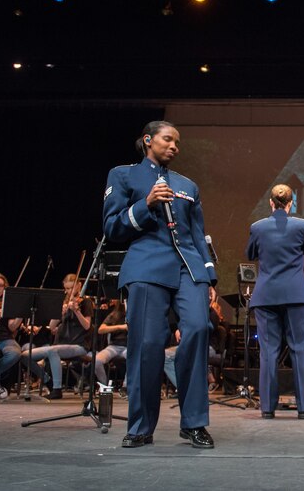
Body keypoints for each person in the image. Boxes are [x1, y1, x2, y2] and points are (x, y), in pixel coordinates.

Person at [103, 120, 218, 449]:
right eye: (169, 140)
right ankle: (140, 425)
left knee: (197, 329)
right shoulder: (122, 175)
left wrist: (209, 276)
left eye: (177, 143)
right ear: (148, 140)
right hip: (146, 266)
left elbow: (197, 234)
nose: (174, 147)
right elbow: (112, 227)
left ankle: (193, 423)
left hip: (189, 268)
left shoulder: (188, 185)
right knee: (147, 345)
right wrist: (145, 204)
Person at [246, 184, 304, 419]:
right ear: (291, 204)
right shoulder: (301, 226)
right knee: (299, 349)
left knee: (268, 351)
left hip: (266, 296)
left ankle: (267, 409)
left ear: (271, 203)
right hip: (294, 295)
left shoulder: (257, 227)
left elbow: (250, 254)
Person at [23, 274, 93, 399]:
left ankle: (57, 389)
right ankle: (47, 380)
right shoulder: (64, 302)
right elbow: (52, 326)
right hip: (61, 345)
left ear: (79, 286)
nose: (68, 291)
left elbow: (87, 325)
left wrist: (77, 311)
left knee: (53, 350)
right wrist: (59, 313)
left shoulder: (85, 302)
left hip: (79, 345)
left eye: (71, 288)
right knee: (24, 356)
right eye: (66, 288)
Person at [95, 298, 128, 391]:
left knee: (133, 358)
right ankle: (104, 386)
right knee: (97, 360)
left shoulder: (136, 315)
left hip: (129, 346)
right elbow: (101, 329)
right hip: (114, 346)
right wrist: (120, 327)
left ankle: (126, 386)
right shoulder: (114, 315)